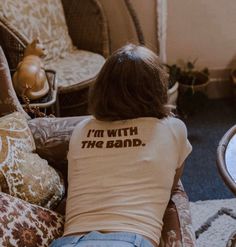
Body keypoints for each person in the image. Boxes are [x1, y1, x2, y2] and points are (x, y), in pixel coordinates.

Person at [50, 44, 192, 247]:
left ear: (101, 88)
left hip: (71, 241)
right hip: (130, 238)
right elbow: (171, 185)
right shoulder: (173, 129)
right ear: (158, 89)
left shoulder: (81, 129)